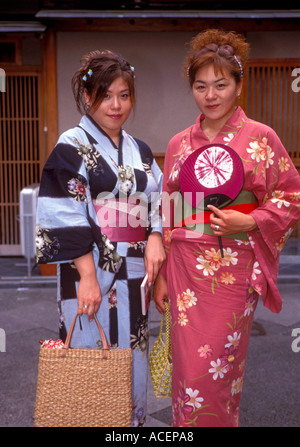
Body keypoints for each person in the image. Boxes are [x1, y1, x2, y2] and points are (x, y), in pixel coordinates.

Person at [154, 29, 300, 427]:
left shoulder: (261, 138)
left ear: (238, 85)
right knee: (187, 373)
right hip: (185, 265)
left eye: (221, 84)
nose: (211, 94)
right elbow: (170, 212)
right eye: (201, 86)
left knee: (217, 369)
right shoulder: (179, 144)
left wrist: (251, 219)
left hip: (232, 266)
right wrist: (164, 273)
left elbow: (291, 196)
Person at [36, 50, 165, 427]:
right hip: (90, 272)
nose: (116, 105)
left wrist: (156, 234)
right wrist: (88, 278)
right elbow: (64, 211)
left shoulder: (139, 150)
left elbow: (159, 199)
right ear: (88, 96)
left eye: (124, 95)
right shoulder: (71, 145)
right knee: (92, 364)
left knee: (132, 358)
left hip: (136, 272)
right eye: (106, 95)